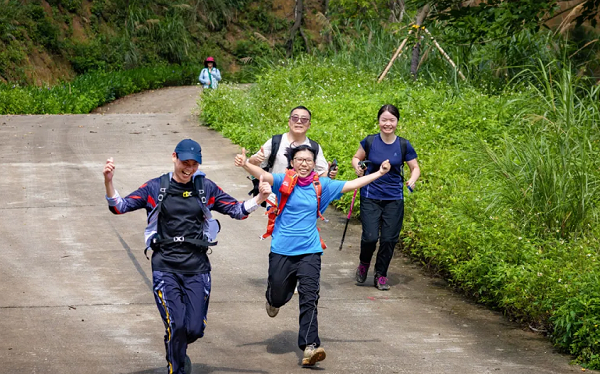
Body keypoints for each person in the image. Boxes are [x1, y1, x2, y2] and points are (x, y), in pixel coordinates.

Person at [103, 139, 271, 374]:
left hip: (197, 267)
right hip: (165, 266)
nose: (188, 168)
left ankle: (179, 347)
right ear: (174, 157)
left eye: (194, 164)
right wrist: (109, 182)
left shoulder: (206, 188)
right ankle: (177, 368)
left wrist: (260, 199)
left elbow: (237, 210)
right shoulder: (155, 187)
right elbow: (119, 206)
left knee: (193, 329)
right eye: (185, 162)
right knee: (176, 324)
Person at [235, 144, 390, 367]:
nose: (304, 164)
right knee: (278, 294)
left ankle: (310, 347)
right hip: (282, 249)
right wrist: (246, 164)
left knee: (310, 297)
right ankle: (273, 299)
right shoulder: (283, 181)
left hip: (310, 251)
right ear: (292, 163)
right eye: (299, 159)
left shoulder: (322, 185)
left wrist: (379, 173)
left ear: (314, 163)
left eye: (308, 160)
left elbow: (353, 184)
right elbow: (263, 174)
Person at [351, 104, 421, 291]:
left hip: (394, 198)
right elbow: (356, 158)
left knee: (389, 239)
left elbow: (415, 168)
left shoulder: (403, 144)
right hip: (370, 195)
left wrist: (412, 181)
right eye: (384, 120)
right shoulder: (370, 141)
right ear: (379, 121)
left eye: (392, 120)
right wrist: (358, 167)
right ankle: (364, 264)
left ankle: (381, 274)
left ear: (397, 122)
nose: (387, 124)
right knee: (370, 237)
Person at [248, 106, 337, 178]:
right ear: (289, 122)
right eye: (295, 118)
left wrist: (329, 173)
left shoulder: (314, 147)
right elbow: (251, 164)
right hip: (274, 196)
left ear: (309, 125)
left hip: (301, 196)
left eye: (304, 119)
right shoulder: (276, 141)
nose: (299, 122)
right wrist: (256, 160)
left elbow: (321, 174)